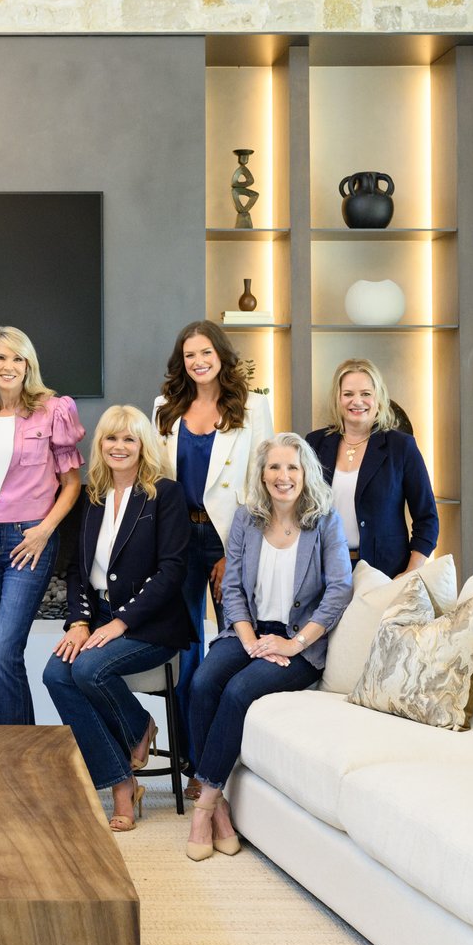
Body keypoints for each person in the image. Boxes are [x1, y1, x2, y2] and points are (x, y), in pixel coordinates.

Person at [185, 432, 352, 862]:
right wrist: (250, 641)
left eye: (292, 467)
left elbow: (340, 589)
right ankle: (222, 808)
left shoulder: (325, 520)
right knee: (203, 681)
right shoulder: (246, 518)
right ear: (262, 475)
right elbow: (233, 588)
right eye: (274, 467)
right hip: (249, 631)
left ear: (305, 473)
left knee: (239, 690)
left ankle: (204, 807)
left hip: (300, 643)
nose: (283, 476)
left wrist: (294, 644)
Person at [42, 405, 194, 832]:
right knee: (55, 674)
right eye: (111, 438)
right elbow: (77, 571)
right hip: (100, 618)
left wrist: (121, 622)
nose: (119, 446)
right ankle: (121, 776)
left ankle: (137, 735)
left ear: (144, 445)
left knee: (88, 669)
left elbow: (172, 571)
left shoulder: (165, 494)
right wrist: (79, 622)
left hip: (152, 623)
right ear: (100, 444)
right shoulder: (91, 498)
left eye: (129, 438)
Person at [154, 319, 274, 798]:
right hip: (179, 540)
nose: (198, 361)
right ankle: (193, 762)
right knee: (185, 653)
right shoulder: (164, 408)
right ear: (181, 362)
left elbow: (261, 482)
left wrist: (234, 554)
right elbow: (158, 481)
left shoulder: (252, 406)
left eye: (206, 352)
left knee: (234, 650)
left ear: (221, 355)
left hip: (229, 540)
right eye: (189, 355)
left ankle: (230, 765)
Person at [0, 326, 85, 725]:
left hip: (29, 541)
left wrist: (44, 530)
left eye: (17, 358)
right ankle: (24, 744)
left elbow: (72, 483)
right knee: (4, 654)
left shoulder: (54, 411)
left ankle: (8, 746)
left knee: (4, 651)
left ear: (28, 365)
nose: (8, 365)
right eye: (0, 357)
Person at [305, 358, 438, 578]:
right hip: (325, 571)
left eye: (366, 393)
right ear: (338, 399)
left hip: (385, 573)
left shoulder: (401, 446)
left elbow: (427, 518)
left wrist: (410, 572)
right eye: (348, 394)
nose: (357, 401)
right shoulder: (314, 443)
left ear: (378, 398)